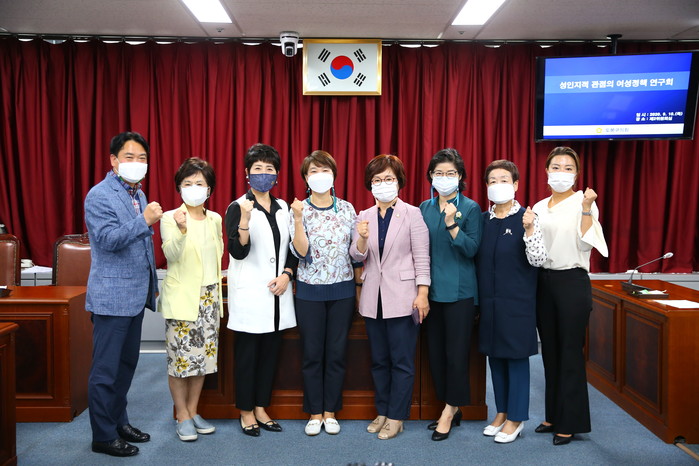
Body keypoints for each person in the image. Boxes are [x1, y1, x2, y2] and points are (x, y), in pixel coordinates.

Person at [84, 131, 161, 457]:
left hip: (134, 296)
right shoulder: (99, 195)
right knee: (105, 370)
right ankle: (103, 436)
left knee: (126, 365)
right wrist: (144, 221)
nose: (137, 163)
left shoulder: (138, 194)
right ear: (114, 161)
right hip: (111, 297)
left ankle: (119, 421)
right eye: (130, 157)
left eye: (142, 158)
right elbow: (107, 240)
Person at [349, 154, 430, 440]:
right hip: (373, 297)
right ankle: (382, 410)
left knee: (401, 362)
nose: (383, 184)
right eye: (377, 179)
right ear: (370, 184)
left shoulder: (412, 214)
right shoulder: (364, 215)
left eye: (389, 178)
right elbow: (356, 255)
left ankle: (397, 416)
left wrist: (423, 293)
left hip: (404, 297)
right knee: (379, 361)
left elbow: (422, 257)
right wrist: (361, 237)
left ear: (399, 181)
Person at [532, 146, 608, 446]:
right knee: (550, 352)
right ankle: (553, 415)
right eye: (556, 167)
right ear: (546, 171)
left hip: (572, 282)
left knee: (570, 352)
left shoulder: (583, 202)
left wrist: (587, 208)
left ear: (576, 174)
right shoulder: (539, 206)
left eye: (568, 168)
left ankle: (571, 422)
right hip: (544, 282)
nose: (561, 173)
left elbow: (587, 243)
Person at [224, 143, 298, 437]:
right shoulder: (237, 207)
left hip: (278, 293)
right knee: (247, 356)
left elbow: (293, 248)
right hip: (250, 295)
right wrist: (244, 220)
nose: (263, 173)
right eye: (258, 168)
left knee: (270, 355)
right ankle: (245, 411)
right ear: (247, 173)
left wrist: (287, 274)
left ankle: (261, 407)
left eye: (269, 168)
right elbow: (237, 252)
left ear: (277, 174)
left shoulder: (283, 208)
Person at [289, 150, 362, 436]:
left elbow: (355, 253)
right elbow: (301, 251)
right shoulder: (299, 209)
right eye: (313, 171)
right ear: (306, 178)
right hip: (309, 291)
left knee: (336, 353)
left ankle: (330, 411)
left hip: (342, 290)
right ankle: (314, 412)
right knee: (311, 354)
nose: (320, 176)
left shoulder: (347, 208)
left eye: (325, 170)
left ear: (334, 175)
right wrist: (298, 219)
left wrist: (358, 287)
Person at [476, 160, 547, 444]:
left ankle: (516, 418)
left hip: (517, 302)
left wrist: (529, 230)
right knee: (495, 356)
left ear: (516, 184)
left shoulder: (527, 217)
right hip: (490, 302)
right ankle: (502, 412)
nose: (498, 185)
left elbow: (538, 259)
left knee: (515, 359)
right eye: (493, 180)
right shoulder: (484, 220)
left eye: (504, 179)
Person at [419, 148, 482, 442]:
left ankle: (449, 411)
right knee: (436, 355)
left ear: (460, 177)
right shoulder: (424, 207)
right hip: (430, 292)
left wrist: (452, 224)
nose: (444, 178)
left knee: (456, 356)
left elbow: (472, 249)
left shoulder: (470, 208)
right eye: (439, 173)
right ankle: (450, 406)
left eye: (451, 173)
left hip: (460, 293)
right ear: (431, 176)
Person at [158, 157, 223, 442]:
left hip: (209, 297)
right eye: (188, 183)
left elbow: (219, 254)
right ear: (179, 187)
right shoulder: (171, 217)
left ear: (209, 189)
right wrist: (183, 231)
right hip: (184, 297)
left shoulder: (215, 219)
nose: (194, 188)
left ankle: (194, 410)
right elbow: (171, 254)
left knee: (203, 361)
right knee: (180, 360)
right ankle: (181, 414)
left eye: (199, 183)